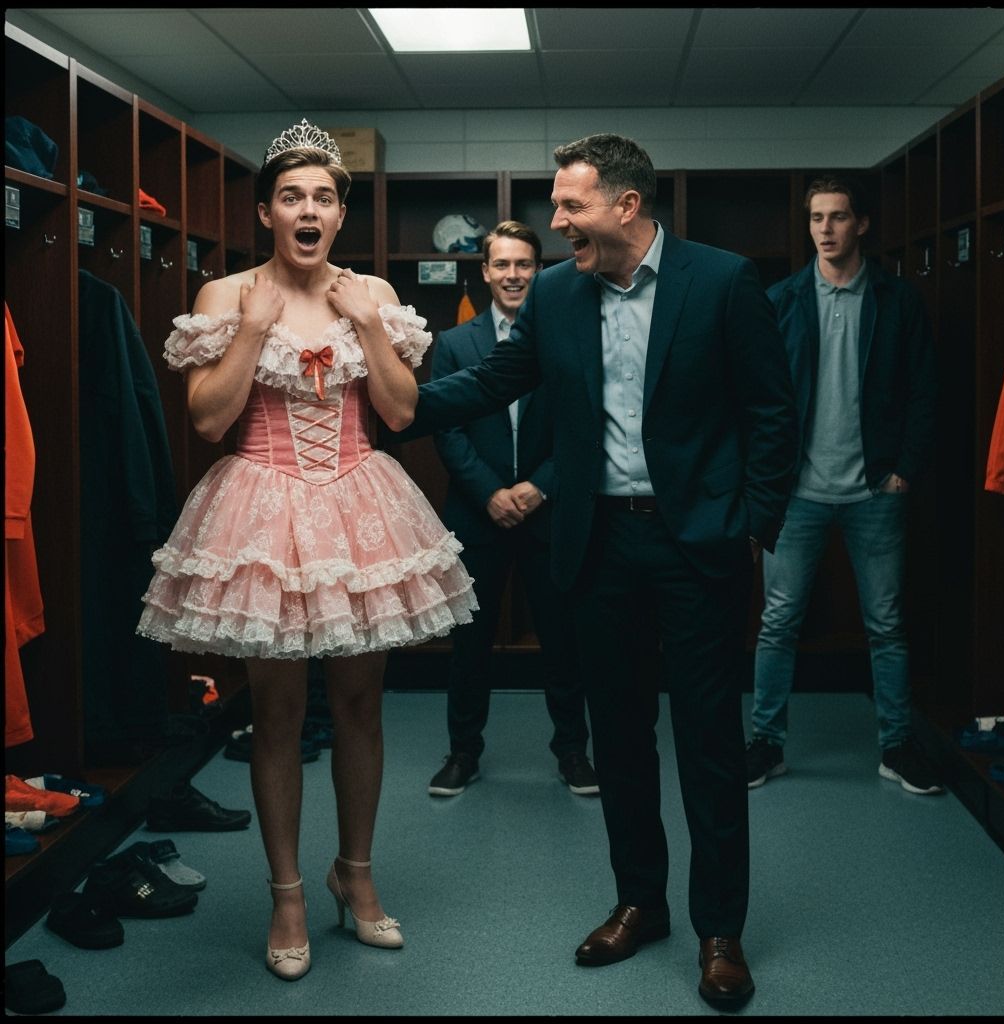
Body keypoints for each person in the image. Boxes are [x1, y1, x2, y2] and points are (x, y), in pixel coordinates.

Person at [396, 133, 797, 1010]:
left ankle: (719, 931)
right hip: (597, 546)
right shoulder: (554, 294)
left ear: (627, 204)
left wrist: (751, 527)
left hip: (697, 546)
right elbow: (496, 379)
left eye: (571, 204)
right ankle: (640, 903)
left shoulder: (722, 280)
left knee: (707, 744)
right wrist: (391, 409)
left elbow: (772, 411)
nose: (558, 221)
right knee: (618, 737)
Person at [136, 119, 477, 981]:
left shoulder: (370, 294)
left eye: (324, 196)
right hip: (262, 507)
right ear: (266, 211)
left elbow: (400, 415)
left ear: (340, 213)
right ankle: (287, 891)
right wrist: (251, 330)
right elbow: (210, 422)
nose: (309, 208)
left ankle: (354, 877)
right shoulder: (224, 295)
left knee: (362, 708)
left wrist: (367, 323)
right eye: (293, 195)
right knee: (278, 714)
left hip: (359, 503)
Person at [746, 174, 942, 796]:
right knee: (778, 621)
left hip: (874, 492)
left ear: (861, 224)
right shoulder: (782, 299)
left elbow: (923, 391)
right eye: (815, 219)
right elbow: (759, 400)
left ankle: (897, 746)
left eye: (837, 217)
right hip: (797, 492)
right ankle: (766, 744)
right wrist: (765, 480)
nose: (825, 230)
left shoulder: (896, 299)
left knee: (885, 624)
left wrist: (903, 468)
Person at [426, 220, 597, 799]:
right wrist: (490, 493)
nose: (513, 275)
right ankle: (463, 753)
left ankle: (573, 751)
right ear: (485, 272)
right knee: (469, 644)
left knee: (563, 640)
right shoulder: (454, 344)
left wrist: (540, 486)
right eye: (502, 265)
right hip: (480, 514)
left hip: (550, 512)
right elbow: (447, 429)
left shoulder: (568, 333)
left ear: (540, 270)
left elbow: (583, 423)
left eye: (524, 264)